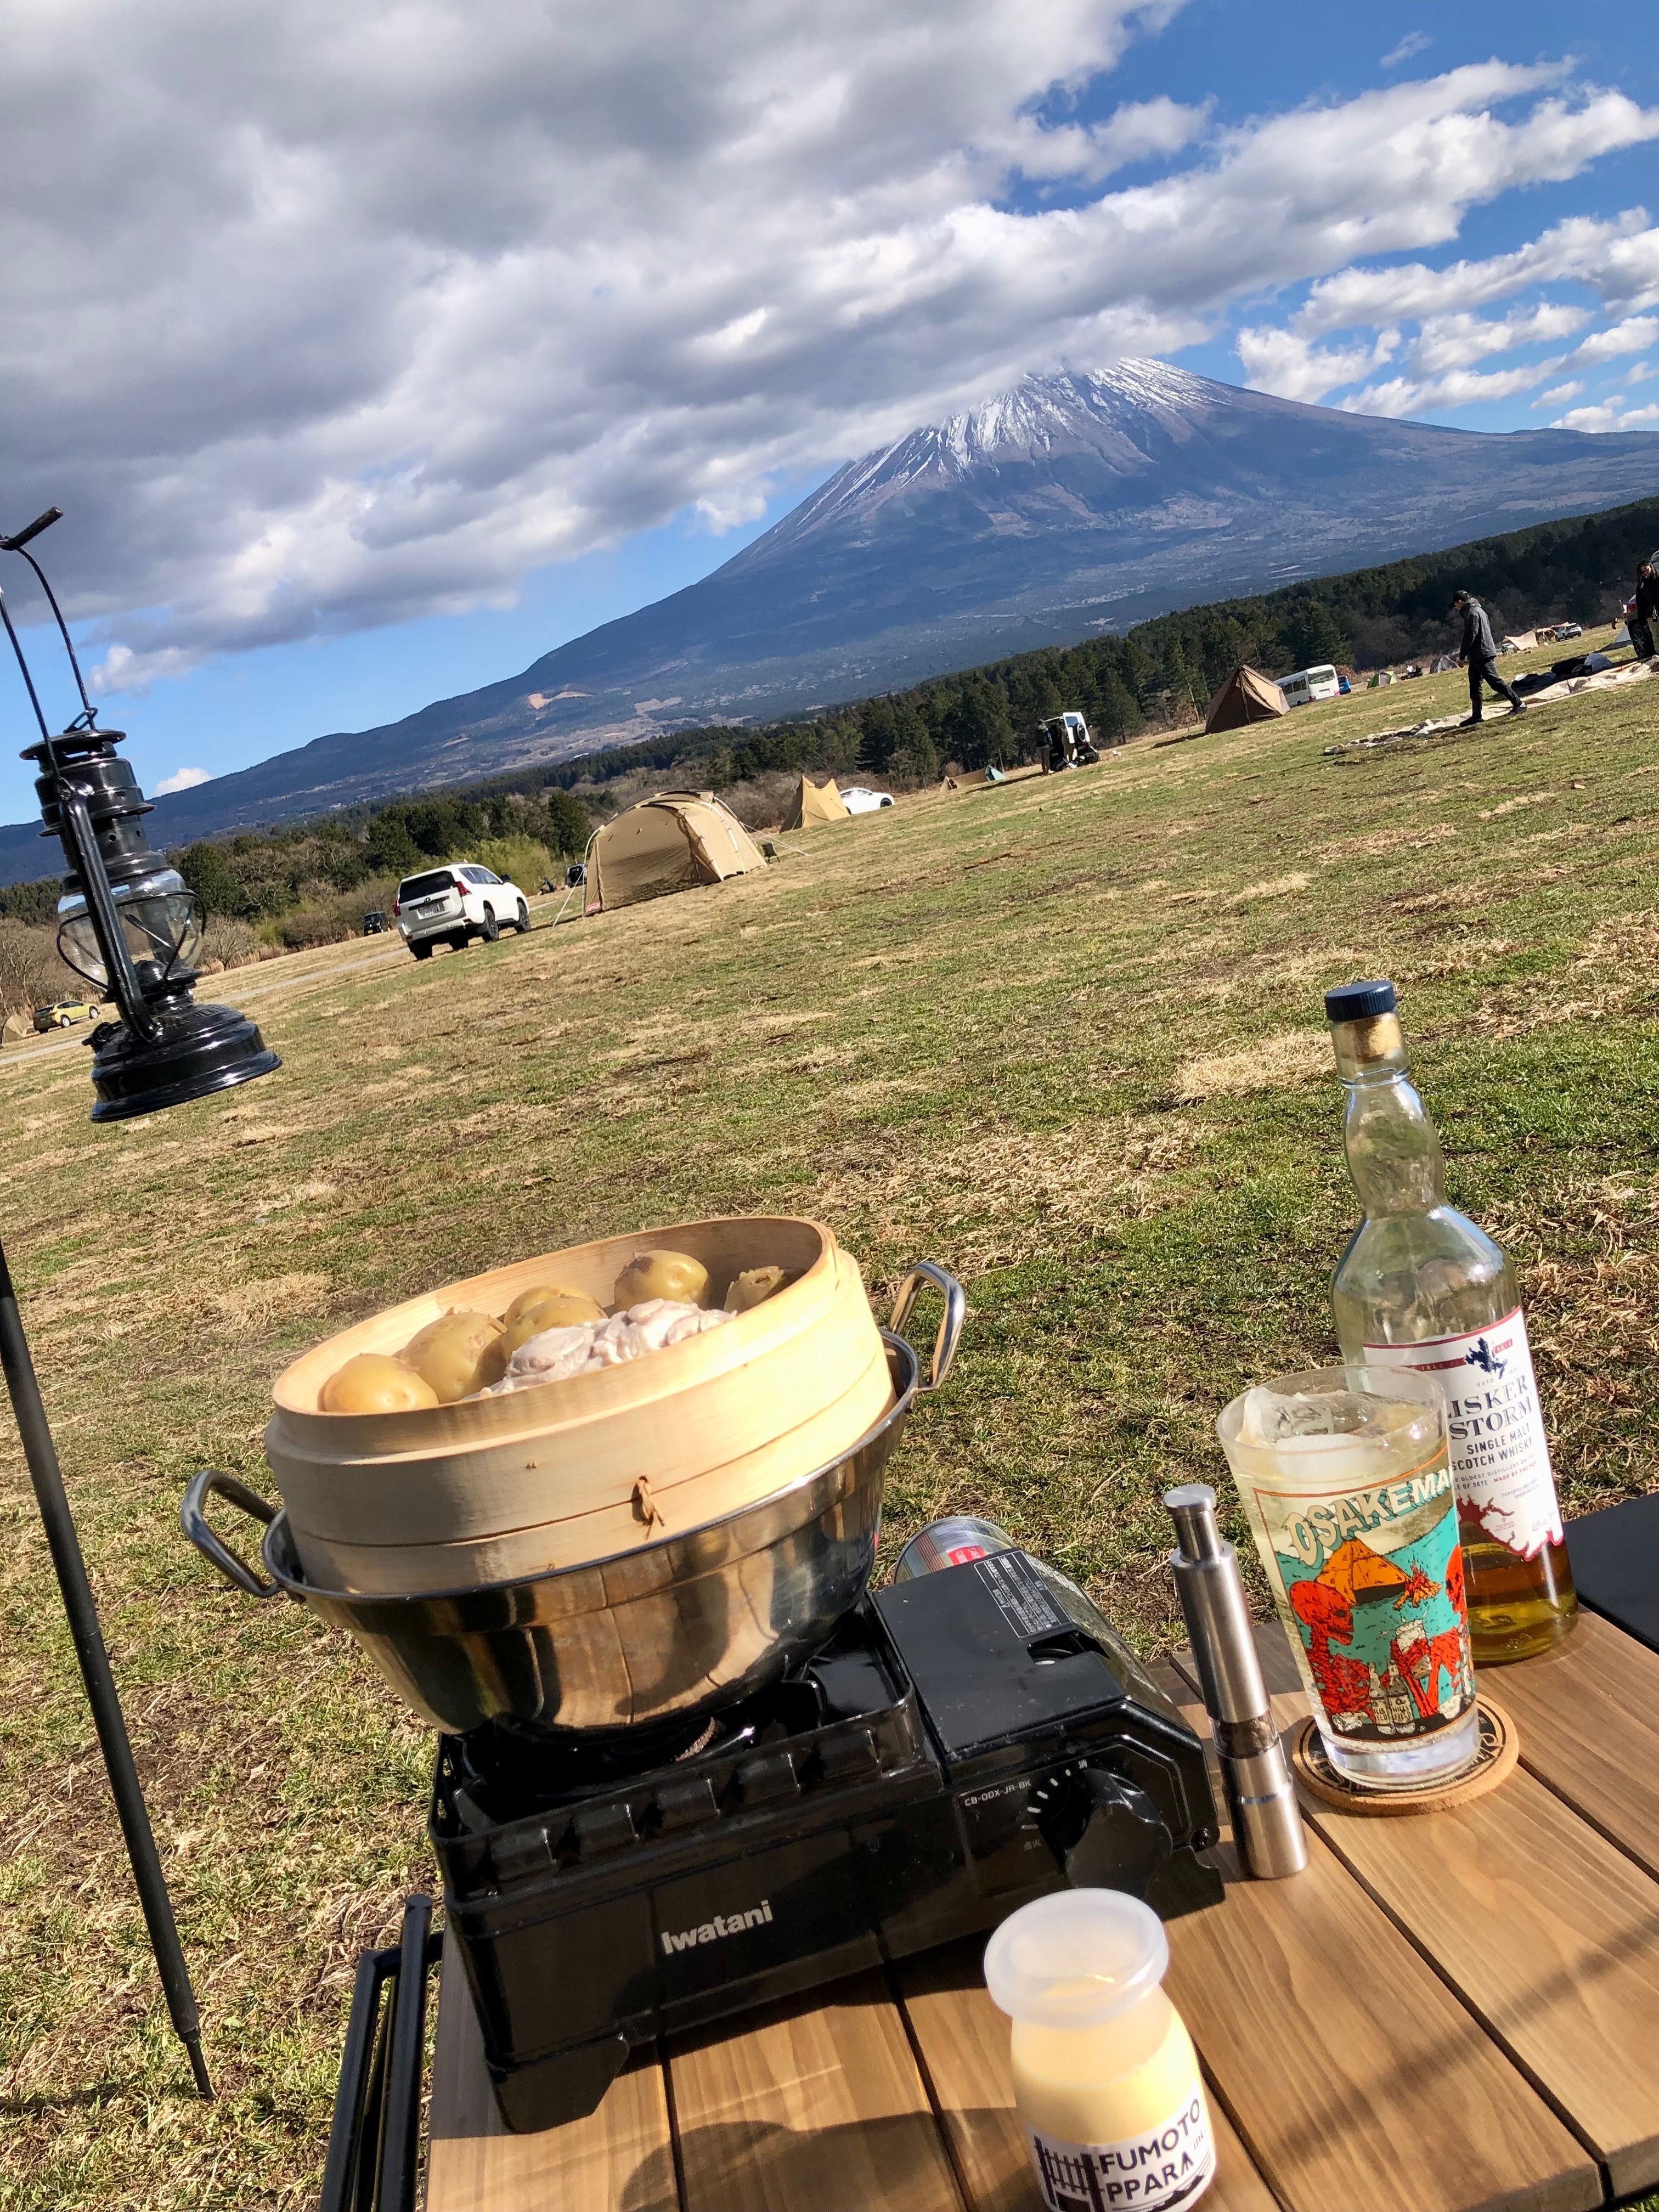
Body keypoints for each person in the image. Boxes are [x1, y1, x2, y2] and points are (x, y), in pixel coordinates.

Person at [1451, 589, 1526, 724]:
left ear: (1460, 602)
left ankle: (1519, 704)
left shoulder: (1472, 614)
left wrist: (1462, 657)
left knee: (1495, 682)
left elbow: (1470, 636)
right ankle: (1476, 716)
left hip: (1482, 654)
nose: (1456, 608)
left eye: (1456, 605)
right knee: (1474, 686)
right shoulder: (1479, 610)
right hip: (1478, 655)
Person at [1632, 561, 1659, 663]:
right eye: (1643, 572)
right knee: (1656, 637)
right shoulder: (1641, 586)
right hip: (1651, 616)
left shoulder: (1658, 580)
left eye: (1647, 571)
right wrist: (1642, 619)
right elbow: (1640, 604)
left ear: (1651, 568)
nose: (1645, 574)